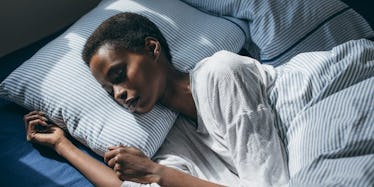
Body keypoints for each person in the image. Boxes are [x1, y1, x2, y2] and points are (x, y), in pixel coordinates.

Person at [25, 12, 289, 187]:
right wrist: (62, 144)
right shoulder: (169, 137)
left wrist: (156, 172)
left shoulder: (220, 72)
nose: (118, 93)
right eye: (109, 91)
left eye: (119, 74)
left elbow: (272, 182)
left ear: (152, 48)